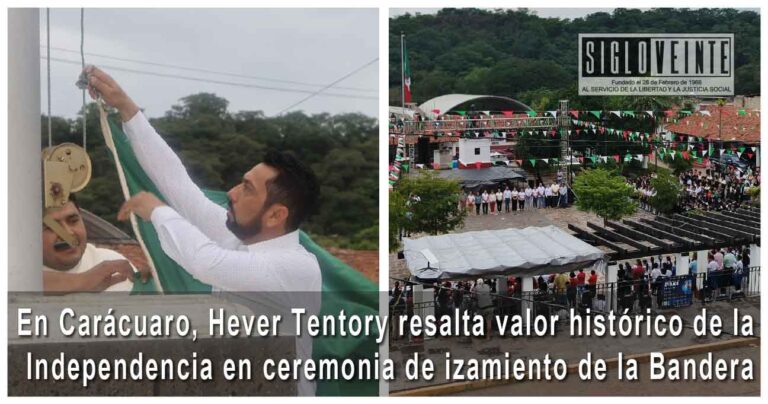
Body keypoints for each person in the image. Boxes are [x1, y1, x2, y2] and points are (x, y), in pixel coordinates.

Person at [87, 67, 321, 395]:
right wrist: (127, 108)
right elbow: (180, 187)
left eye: (247, 189)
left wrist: (156, 211)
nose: (232, 193)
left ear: (275, 215)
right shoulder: (238, 238)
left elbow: (205, 262)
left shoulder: (294, 267)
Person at [42, 196, 145, 293]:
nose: (68, 233)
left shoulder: (114, 263)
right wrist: (82, 282)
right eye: (51, 227)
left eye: (73, 221)